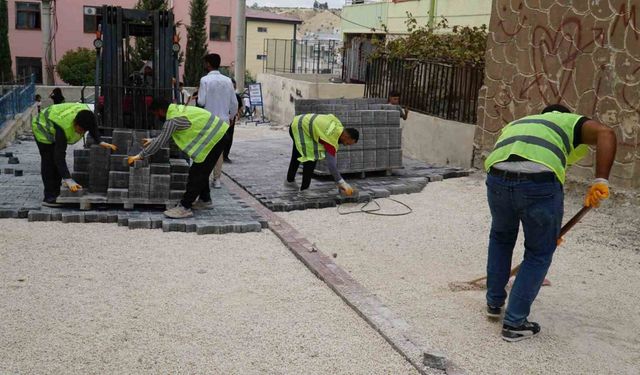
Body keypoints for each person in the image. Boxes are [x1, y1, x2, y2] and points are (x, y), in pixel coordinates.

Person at [484, 104, 616, 342]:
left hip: (497, 176)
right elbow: (606, 133)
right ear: (564, 114)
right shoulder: (567, 121)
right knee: (539, 252)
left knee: (501, 237)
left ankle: (494, 303)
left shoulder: (521, 122)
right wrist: (601, 181)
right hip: (538, 181)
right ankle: (514, 324)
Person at [127, 98, 230, 219]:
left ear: (160, 110)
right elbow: (168, 135)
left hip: (216, 138)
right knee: (201, 171)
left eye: (155, 114)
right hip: (219, 134)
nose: (156, 117)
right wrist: (153, 141)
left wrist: (140, 155)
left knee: (197, 173)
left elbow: (161, 141)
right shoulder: (177, 110)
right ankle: (205, 200)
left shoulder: (173, 119)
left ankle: (185, 207)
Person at [31, 103, 117, 206]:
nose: (80, 133)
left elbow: (93, 126)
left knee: (56, 164)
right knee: (49, 162)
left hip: (55, 121)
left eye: (83, 131)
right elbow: (59, 157)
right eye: (80, 130)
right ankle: (49, 197)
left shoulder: (86, 113)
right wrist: (68, 179)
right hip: (42, 128)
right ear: (75, 123)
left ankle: (57, 192)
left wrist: (100, 141)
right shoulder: (63, 127)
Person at [285, 113, 359, 196]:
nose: (346, 145)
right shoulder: (331, 138)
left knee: (298, 153)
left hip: (299, 122)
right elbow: (331, 165)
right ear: (346, 136)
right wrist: (341, 182)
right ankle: (304, 190)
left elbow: (330, 116)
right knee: (311, 157)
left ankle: (289, 181)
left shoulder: (338, 125)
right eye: (348, 143)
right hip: (300, 127)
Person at [193, 53, 237, 189]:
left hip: (209, 121)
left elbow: (201, 101)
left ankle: (204, 177)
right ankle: (217, 179)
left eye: (205, 63)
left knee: (206, 149)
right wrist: (230, 117)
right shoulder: (228, 81)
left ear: (208, 64)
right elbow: (234, 104)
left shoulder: (204, 80)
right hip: (223, 122)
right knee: (219, 152)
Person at [222, 77, 243, 163]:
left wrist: (238, 114)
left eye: (233, 86)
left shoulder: (236, 96)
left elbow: (240, 107)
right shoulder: (222, 96)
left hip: (231, 120)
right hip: (223, 118)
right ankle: (220, 156)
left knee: (229, 138)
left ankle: (225, 156)